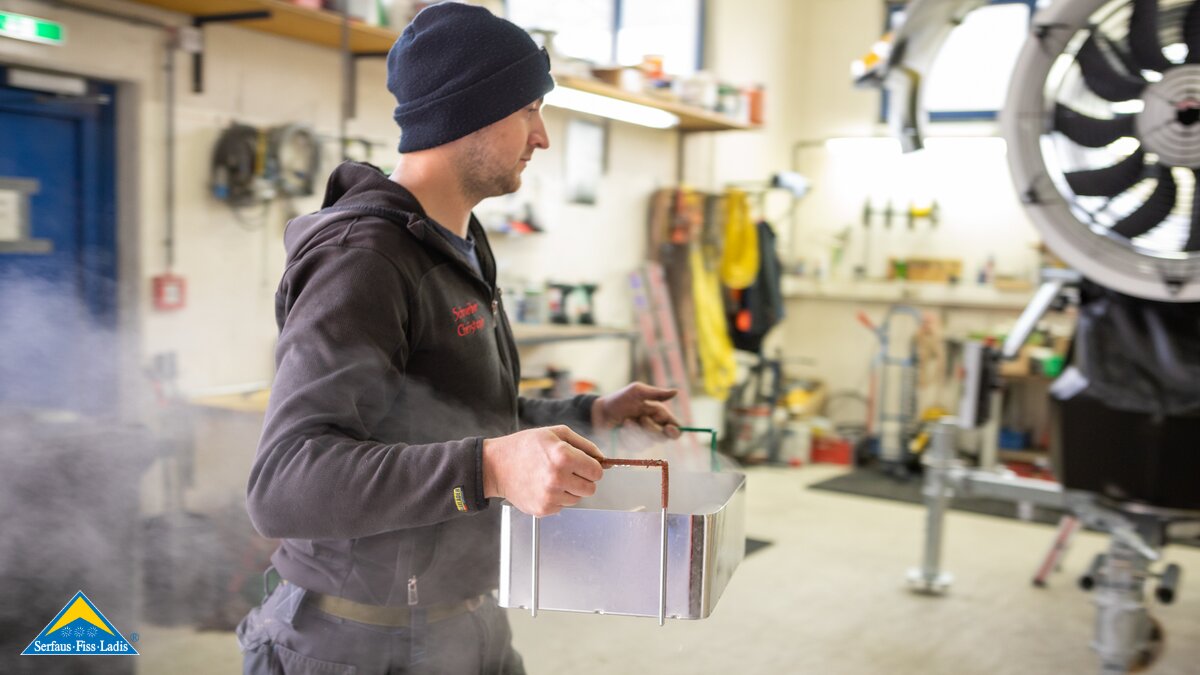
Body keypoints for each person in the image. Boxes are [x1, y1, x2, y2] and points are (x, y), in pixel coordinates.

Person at [237, 3, 681, 673]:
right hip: (353, 644)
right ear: (470, 111)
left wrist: (587, 415)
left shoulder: (460, 244)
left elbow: (451, 419)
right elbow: (283, 482)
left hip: (463, 621)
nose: (543, 137)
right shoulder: (365, 260)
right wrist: (491, 468)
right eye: (529, 109)